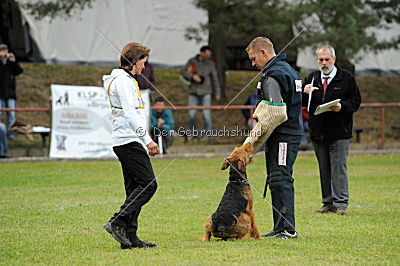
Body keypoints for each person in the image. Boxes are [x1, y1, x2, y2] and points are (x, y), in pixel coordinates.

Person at [102, 42, 159, 249]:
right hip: (128, 140)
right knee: (149, 184)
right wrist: (148, 140)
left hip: (125, 140)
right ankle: (117, 221)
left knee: (134, 189)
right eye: (142, 63)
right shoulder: (123, 82)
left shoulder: (124, 80)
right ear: (134, 62)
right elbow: (130, 113)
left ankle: (130, 236)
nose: (144, 67)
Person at [246, 37, 303, 239]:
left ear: (263, 52)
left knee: (280, 178)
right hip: (286, 133)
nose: (253, 64)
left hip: (284, 136)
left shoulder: (273, 74)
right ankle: (280, 227)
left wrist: (249, 146)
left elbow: (275, 114)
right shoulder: (287, 69)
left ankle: (288, 229)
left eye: (254, 59)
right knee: (276, 178)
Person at [302, 45, 361, 215]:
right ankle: (327, 202)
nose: (324, 63)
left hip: (340, 131)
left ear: (334, 59)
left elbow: (356, 101)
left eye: (327, 59)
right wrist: (304, 93)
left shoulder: (346, 78)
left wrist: (342, 106)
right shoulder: (311, 79)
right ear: (317, 61)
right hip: (318, 131)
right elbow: (299, 102)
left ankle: (341, 202)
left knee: (338, 167)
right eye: (321, 60)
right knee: (324, 167)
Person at [181, 45, 221, 139]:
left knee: (206, 114)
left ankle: (208, 135)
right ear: (201, 53)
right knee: (191, 113)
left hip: (206, 91)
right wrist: (192, 76)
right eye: (207, 54)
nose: (208, 57)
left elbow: (215, 78)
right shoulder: (192, 61)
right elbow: (183, 72)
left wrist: (217, 92)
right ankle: (192, 133)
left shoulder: (210, 64)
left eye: (209, 55)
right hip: (193, 91)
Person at [0, 43, 23, 139]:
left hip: (10, 93)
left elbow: (19, 71)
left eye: (5, 50)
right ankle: (1, 134)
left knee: (12, 115)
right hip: (0, 93)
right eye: (2, 51)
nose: (4, 53)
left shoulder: (11, 63)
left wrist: (13, 62)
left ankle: (11, 135)